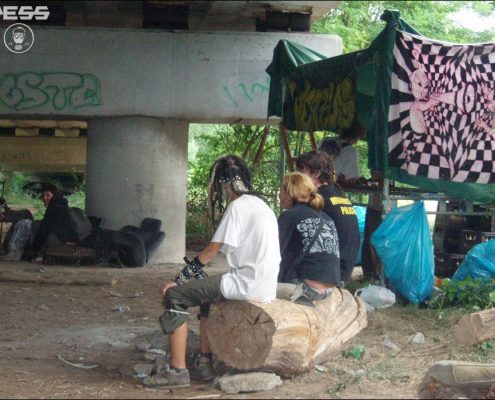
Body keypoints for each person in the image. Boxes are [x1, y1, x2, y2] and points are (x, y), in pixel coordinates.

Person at [148, 155, 280, 388]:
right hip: (265, 283)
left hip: (245, 283)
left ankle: (177, 372)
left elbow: (211, 252)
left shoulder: (237, 207)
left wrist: (179, 279)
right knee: (206, 298)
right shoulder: (261, 206)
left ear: (223, 184)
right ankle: (204, 363)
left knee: (175, 296)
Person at [296, 151, 360, 285]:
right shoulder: (337, 192)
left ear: (316, 174)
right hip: (344, 271)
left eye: (302, 171)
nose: (298, 176)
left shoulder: (317, 199)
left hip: (327, 276)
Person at [277, 172, 340, 307]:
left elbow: (273, 253)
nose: (279, 195)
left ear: (290, 194)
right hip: (329, 290)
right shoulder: (327, 218)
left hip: (304, 289)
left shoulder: (289, 216)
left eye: (281, 191)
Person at [0, 185, 77, 262]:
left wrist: (35, 249)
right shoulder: (60, 205)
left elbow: (45, 230)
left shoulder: (55, 207)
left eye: (48, 195)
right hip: (58, 238)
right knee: (22, 222)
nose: (44, 198)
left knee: (24, 223)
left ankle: (14, 253)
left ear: (55, 196)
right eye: (43, 196)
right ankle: (6, 249)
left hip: (59, 240)